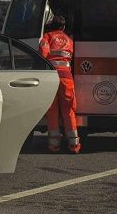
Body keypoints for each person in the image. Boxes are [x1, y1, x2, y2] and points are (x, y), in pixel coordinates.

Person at [39, 8, 80, 154]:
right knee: (68, 110)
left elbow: (43, 54)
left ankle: (54, 145)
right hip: (66, 78)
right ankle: (74, 144)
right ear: (63, 27)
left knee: (52, 110)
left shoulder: (47, 37)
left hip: (51, 78)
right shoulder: (69, 40)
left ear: (52, 25)